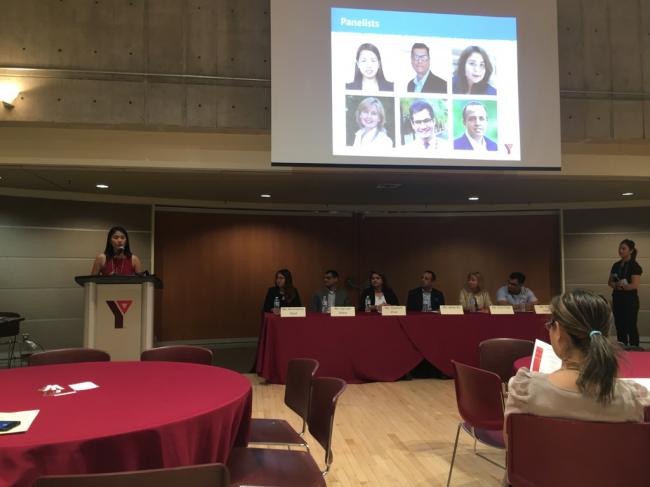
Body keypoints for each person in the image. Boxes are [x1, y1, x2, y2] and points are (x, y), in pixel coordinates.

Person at [506, 289, 650, 422]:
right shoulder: (632, 398)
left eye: (551, 324)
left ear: (559, 333)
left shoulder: (525, 391)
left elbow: (512, 439)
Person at [608, 239, 643, 347]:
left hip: (630, 300)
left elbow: (634, 285)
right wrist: (616, 285)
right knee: (619, 325)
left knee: (631, 325)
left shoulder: (635, 266)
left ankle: (634, 347)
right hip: (617, 299)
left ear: (631, 251)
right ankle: (622, 347)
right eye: (620, 248)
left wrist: (621, 286)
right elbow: (610, 282)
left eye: (623, 249)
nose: (620, 251)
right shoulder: (616, 265)